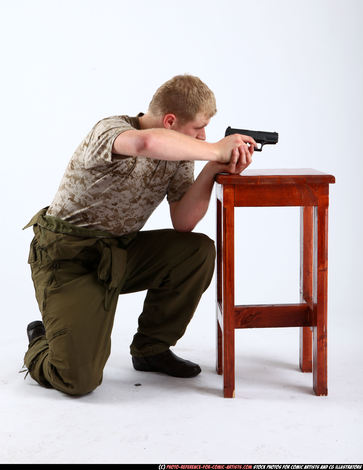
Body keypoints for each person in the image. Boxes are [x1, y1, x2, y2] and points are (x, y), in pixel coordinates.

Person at [23, 74, 256, 396]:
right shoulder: (111, 130)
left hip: (120, 252)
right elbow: (145, 143)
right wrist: (215, 150)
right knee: (77, 380)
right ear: (170, 121)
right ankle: (41, 339)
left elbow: (184, 221)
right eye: (198, 128)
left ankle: (151, 350)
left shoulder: (182, 153)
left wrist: (214, 167)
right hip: (69, 259)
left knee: (195, 250)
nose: (204, 136)